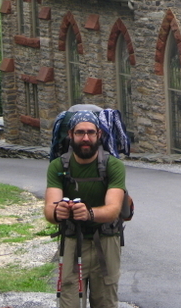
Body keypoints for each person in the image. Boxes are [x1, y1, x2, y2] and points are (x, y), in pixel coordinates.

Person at [44, 111, 127, 308]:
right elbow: (49, 209)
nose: (86, 138)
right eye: (80, 133)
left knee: (106, 302)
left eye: (91, 132)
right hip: (72, 241)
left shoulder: (113, 166)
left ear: (99, 134)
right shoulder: (58, 166)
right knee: (69, 302)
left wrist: (89, 213)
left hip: (106, 241)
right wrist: (59, 212)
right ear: (71, 134)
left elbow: (114, 209)